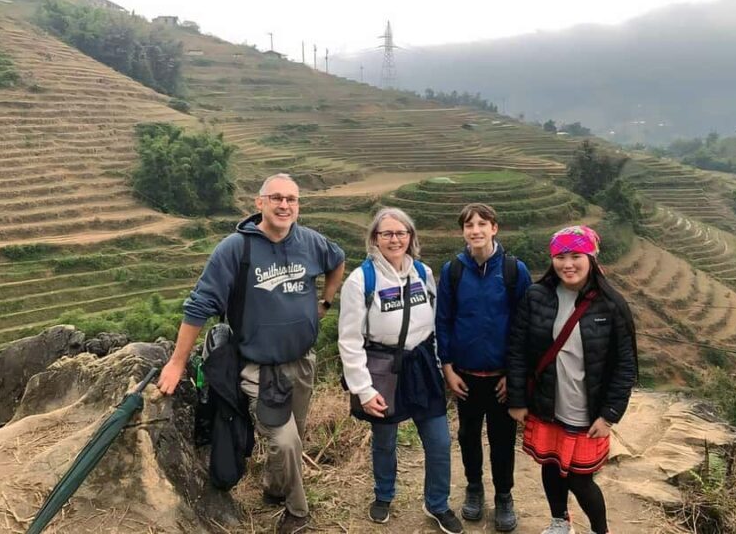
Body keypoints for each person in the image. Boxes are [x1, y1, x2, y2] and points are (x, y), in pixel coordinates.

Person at [157, 173, 346, 534]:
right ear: (259, 203)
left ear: (298, 206)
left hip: (302, 361)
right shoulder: (235, 248)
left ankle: (275, 490)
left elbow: (337, 260)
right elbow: (198, 305)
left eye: (291, 199)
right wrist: (177, 362)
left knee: (294, 439)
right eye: (276, 198)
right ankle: (298, 512)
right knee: (285, 440)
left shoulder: (311, 241)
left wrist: (326, 300)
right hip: (259, 367)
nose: (284, 205)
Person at [337, 207, 464, 534]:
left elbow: (436, 325)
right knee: (384, 439)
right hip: (383, 368)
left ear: (411, 237)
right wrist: (363, 390)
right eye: (387, 234)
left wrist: (440, 365)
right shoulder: (360, 280)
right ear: (374, 239)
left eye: (401, 233)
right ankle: (384, 495)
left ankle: (437, 503)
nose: (394, 239)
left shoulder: (423, 273)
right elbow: (349, 340)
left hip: (422, 365)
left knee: (438, 440)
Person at [506, 226, 636, 534]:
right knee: (551, 467)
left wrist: (610, 415)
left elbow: (625, 366)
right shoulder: (537, 297)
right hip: (548, 404)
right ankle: (559, 522)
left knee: (580, 478)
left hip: (586, 410)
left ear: (590, 258)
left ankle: (600, 531)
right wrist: (517, 400)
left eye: (576, 255)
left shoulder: (611, 304)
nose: (568, 264)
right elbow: (517, 351)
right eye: (560, 256)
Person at [435, 203, 531, 531]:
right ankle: (474, 488)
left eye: (482, 224)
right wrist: (447, 367)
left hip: (502, 378)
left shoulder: (514, 270)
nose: (475, 230)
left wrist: (515, 375)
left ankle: (504, 495)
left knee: (503, 439)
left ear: (494, 228)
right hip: (466, 376)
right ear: (462, 231)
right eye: (468, 225)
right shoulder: (453, 270)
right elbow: (443, 320)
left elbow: (525, 325)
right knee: (468, 435)